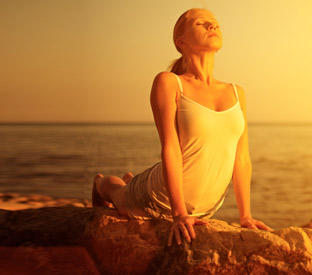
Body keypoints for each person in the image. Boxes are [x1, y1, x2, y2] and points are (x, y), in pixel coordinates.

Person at [91, 8, 273, 247]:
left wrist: (245, 216)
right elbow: (170, 147)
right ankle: (100, 182)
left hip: (205, 208)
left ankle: (134, 181)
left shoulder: (236, 92)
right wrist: (178, 214)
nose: (212, 26)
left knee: (133, 186)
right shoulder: (169, 83)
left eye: (215, 23)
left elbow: (241, 158)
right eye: (201, 23)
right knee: (119, 197)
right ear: (181, 42)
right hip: (161, 198)